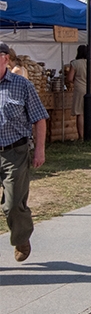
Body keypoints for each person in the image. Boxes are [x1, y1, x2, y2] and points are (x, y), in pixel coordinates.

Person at [0, 43, 49, 262]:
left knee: (12, 204)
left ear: (4, 59)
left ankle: (21, 237)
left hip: (15, 152)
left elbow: (39, 118)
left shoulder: (21, 85)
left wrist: (39, 150)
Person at [66, 44, 91, 141]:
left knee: (80, 113)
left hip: (79, 88)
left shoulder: (75, 63)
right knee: (90, 113)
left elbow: (70, 78)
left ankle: (82, 136)